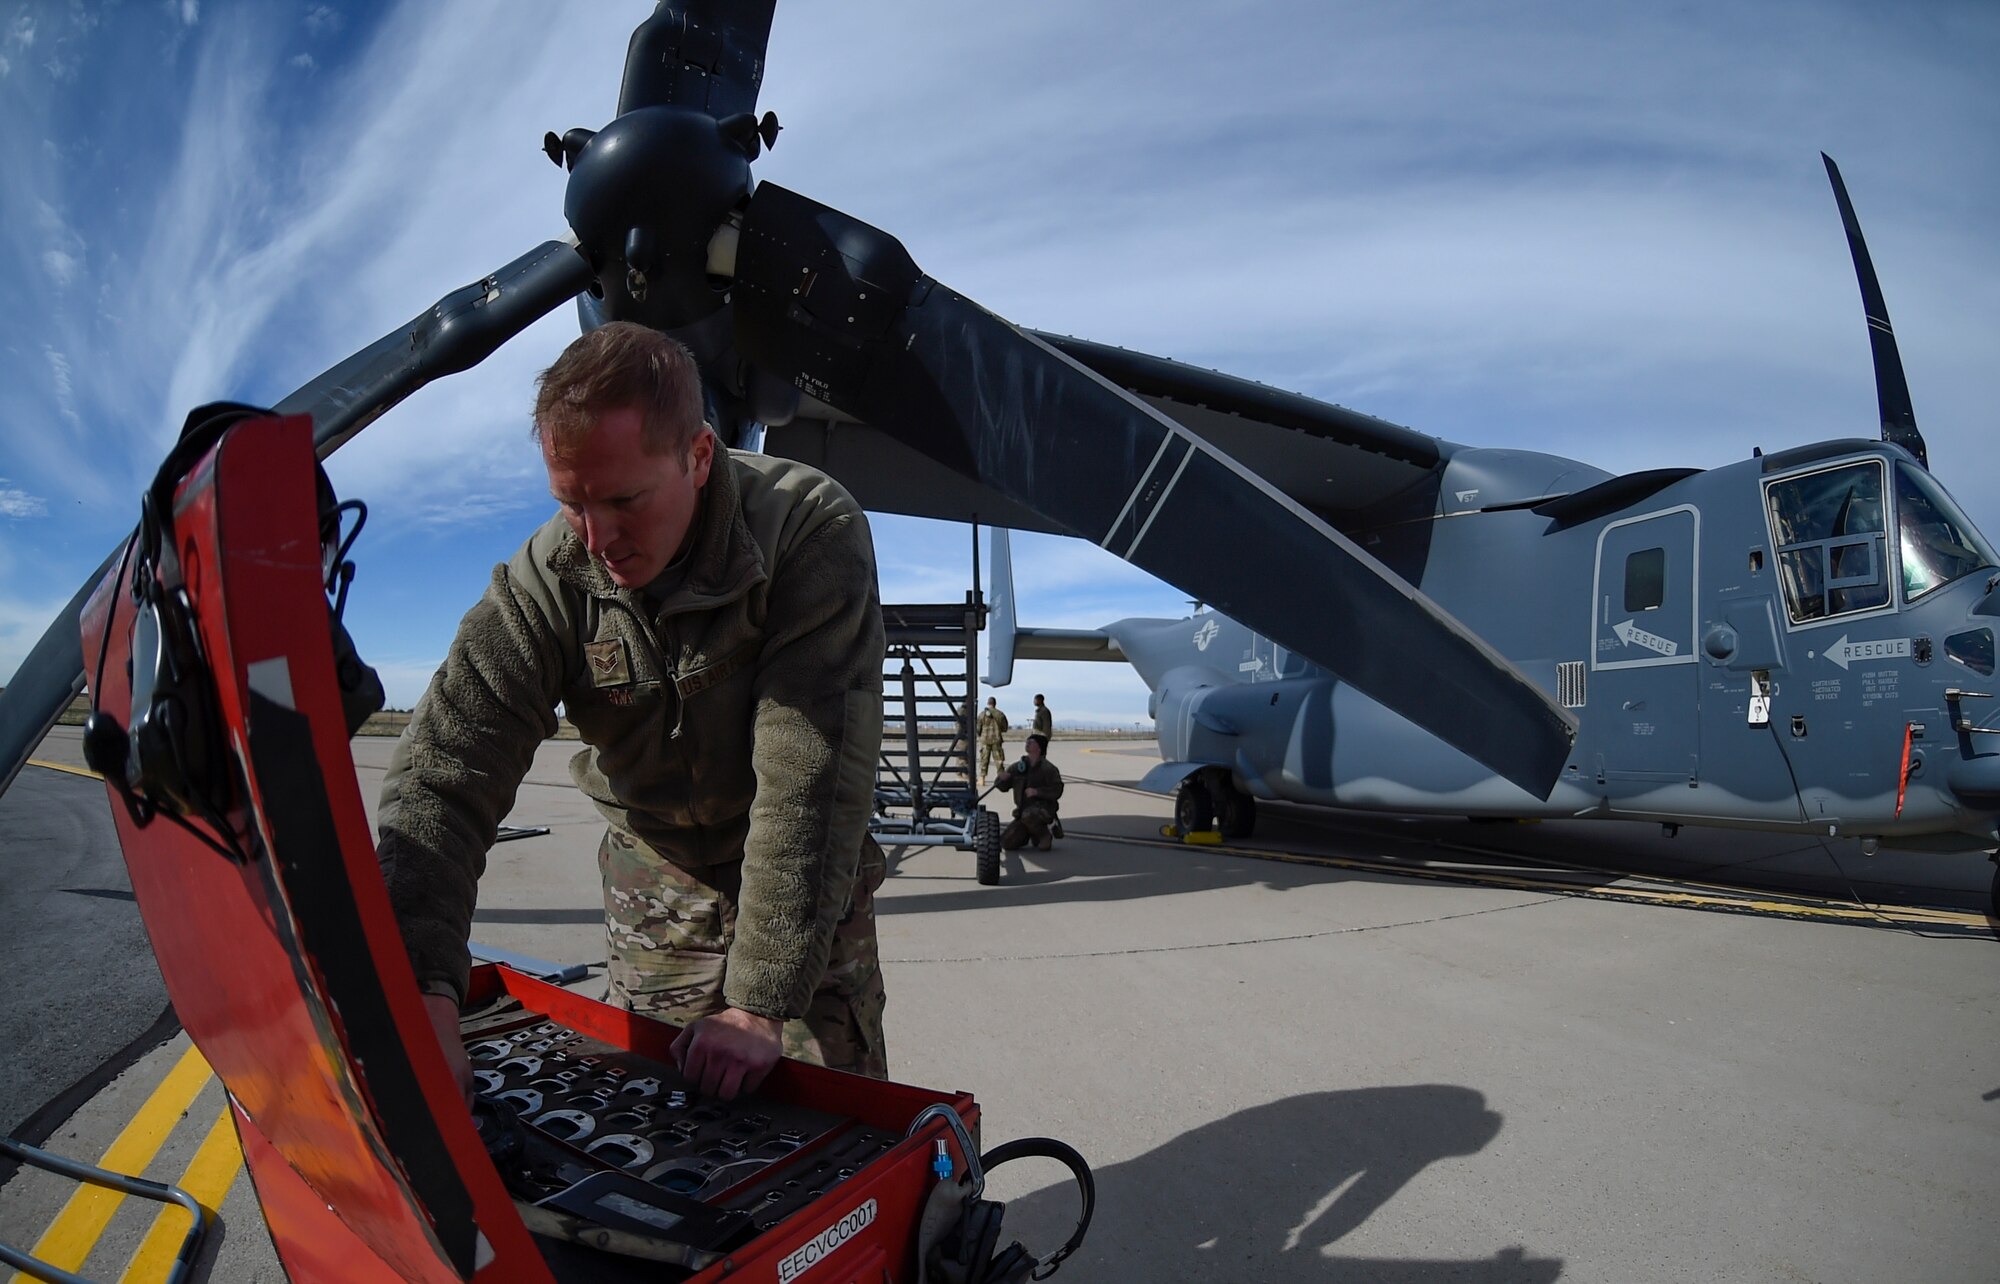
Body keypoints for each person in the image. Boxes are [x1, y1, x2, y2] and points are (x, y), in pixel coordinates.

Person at [375, 322, 887, 1103]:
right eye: (571, 503)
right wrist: (421, 993)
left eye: (625, 500)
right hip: (656, 888)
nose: (598, 539)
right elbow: (447, 771)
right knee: (655, 1125)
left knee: (830, 1130)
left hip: (800, 886)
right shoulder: (548, 576)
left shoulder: (806, 528)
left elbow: (809, 777)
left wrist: (760, 1004)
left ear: (699, 456)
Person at [994, 733, 1064, 851]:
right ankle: (1030, 833)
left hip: (1044, 810)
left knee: (1029, 815)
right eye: (1027, 741)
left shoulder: (1048, 769)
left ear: (1039, 748)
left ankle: (1044, 835)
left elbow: (1057, 790)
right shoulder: (1018, 767)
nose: (1027, 743)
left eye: (1031, 742)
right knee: (1006, 842)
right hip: (1023, 812)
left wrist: (1037, 792)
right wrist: (1001, 779)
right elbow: (1003, 787)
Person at [975, 695, 1009, 787]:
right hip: (996, 740)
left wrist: (980, 735)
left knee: (984, 760)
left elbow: (977, 729)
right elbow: (1005, 727)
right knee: (999, 760)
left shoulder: (982, 714)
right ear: (995, 704)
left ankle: (982, 779)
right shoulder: (1000, 714)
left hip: (985, 740)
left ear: (988, 703)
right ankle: (1001, 779)